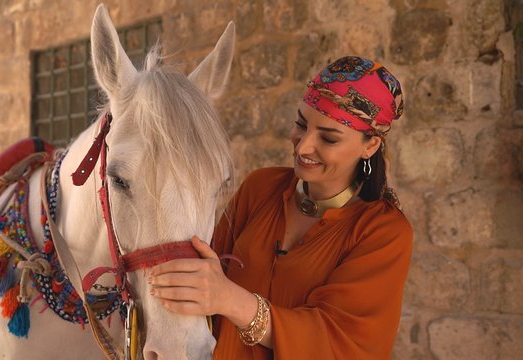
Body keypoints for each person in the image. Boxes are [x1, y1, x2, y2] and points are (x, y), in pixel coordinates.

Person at [148, 56, 413, 359]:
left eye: (328, 138)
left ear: (370, 146)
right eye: (301, 124)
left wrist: (229, 299)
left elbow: (342, 341)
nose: (302, 147)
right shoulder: (261, 188)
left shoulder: (384, 233)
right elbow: (204, 282)